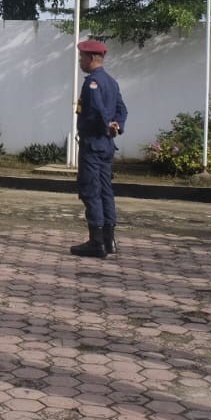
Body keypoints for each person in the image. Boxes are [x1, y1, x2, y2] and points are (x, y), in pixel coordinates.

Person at [69, 39, 126, 259]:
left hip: (93, 143)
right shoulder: (111, 82)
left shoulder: (92, 82)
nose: (80, 62)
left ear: (92, 58)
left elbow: (97, 109)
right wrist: (117, 125)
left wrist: (106, 126)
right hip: (107, 145)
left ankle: (96, 242)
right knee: (105, 190)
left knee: (91, 190)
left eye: (82, 57)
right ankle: (109, 240)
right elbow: (122, 109)